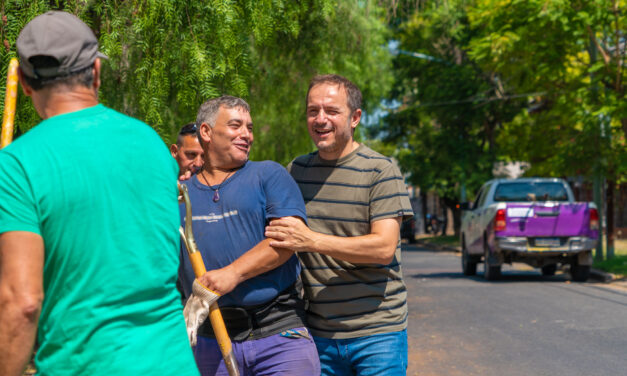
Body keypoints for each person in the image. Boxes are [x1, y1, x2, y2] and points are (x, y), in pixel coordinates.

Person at [0, 11, 198, 376]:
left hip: (84, 365)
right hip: (173, 364)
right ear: (95, 71)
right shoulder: (153, 144)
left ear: (25, 83)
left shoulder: (15, 165)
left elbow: (22, 302)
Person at [265, 74, 414, 375]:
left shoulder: (380, 171)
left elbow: (383, 248)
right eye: (313, 111)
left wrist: (310, 241)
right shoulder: (296, 171)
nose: (321, 119)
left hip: (378, 335)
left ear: (355, 117)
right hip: (319, 335)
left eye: (332, 111)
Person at [178, 95, 320, 375]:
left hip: (279, 336)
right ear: (205, 132)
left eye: (249, 127)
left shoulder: (268, 175)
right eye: (235, 125)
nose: (246, 134)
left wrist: (232, 274)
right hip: (209, 342)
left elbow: (286, 241)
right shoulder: (181, 196)